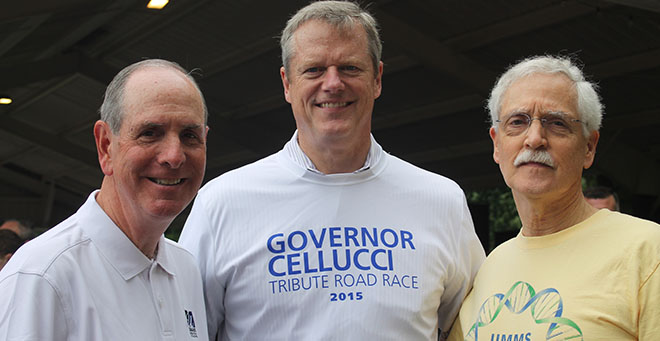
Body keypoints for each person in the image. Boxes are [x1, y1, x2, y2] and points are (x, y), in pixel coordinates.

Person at [179, 1, 485, 340]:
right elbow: (186, 331)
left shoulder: (441, 201)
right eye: (314, 70)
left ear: (378, 79)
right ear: (287, 84)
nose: (333, 83)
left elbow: (470, 326)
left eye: (350, 68)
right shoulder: (221, 204)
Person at [449, 55, 660, 340]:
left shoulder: (648, 252)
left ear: (588, 147)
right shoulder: (488, 269)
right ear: (496, 145)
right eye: (517, 121)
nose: (534, 138)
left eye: (557, 123)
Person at [0, 59, 210, 340]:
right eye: (150, 133)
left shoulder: (185, 269)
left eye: (189, 135)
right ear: (105, 146)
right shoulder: (42, 276)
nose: (174, 156)